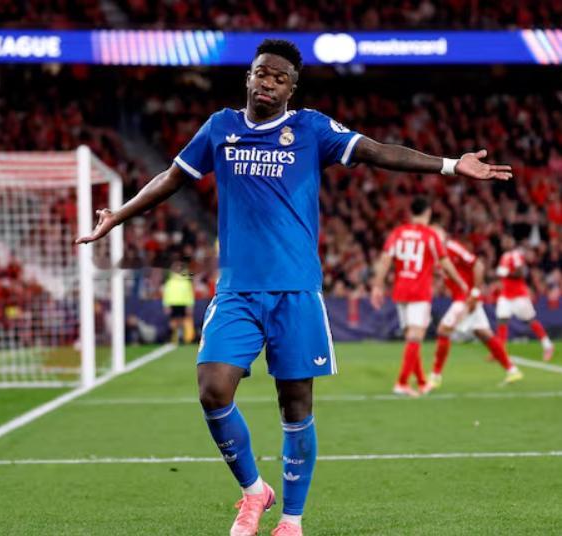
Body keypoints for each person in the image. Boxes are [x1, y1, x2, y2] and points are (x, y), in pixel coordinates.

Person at [76, 39, 511, 536]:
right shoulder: (220, 127)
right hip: (237, 291)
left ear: (291, 89)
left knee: (295, 405)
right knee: (213, 390)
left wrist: (451, 165)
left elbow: (376, 151)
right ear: (248, 77)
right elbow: (172, 177)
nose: (268, 83)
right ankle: (254, 491)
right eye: (262, 73)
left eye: (279, 78)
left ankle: (290, 520)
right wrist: (118, 215)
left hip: (297, 292)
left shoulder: (311, 129)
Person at [370, 198, 468, 397]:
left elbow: (385, 259)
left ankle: (422, 382)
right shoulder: (430, 235)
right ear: (428, 212)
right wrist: (460, 281)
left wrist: (377, 286)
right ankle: (402, 383)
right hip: (419, 292)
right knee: (415, 338)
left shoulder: (398, 233)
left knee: (411, 339)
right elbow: (445, 261)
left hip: (401, 290)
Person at [429, 226, 523, 386]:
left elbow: (478, 265)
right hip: (462, 297)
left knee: (443, 331)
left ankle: (435, 376)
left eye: (436, 235)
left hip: (466, 298)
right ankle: (512, 370)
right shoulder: (437, 255)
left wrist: (475, 293)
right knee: (484, 334)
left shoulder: (452, 247)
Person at [496, 237, 554, 361]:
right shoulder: (504, 256)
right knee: (502, 320)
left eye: (507, 241)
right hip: (506, 295)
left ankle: (548, 345)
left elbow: (521, 272)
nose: (504, 243)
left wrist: (507, 273)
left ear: (512, 243)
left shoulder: (516, 255)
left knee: (530, 320)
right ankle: (500, 350)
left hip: (519, 295)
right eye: (503, 241)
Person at [162, 260, 196, 344]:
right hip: (173, 303)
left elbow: (189, 294)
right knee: (173, 322)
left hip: (183, 303)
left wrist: (190, 305)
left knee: (182, 321)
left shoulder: (186, 281)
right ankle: (172, 337)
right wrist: (166, 305)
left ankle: (181, 337)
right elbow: (166, 294)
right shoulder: (169, 282)